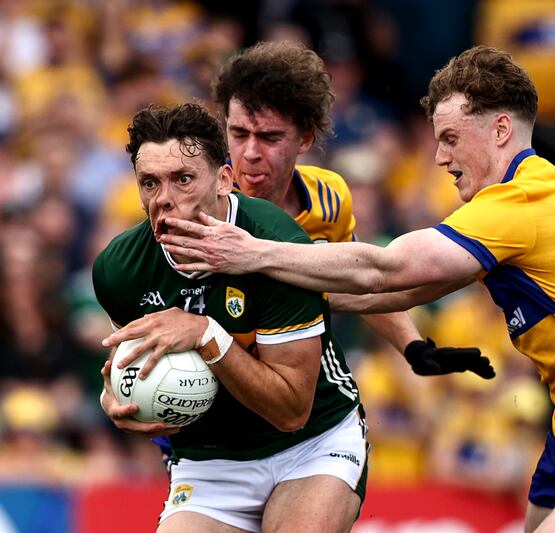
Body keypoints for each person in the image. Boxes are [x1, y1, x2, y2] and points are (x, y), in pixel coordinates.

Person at [160, 45, 555, 532]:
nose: (440, 158)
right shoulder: (535, 193)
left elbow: (386, 271)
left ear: (498, 131)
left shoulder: (516, 206)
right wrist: (404, 342)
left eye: (449, 139)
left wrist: (253, 255)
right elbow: (397, 293)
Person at [95, 103, 369, 533]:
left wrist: (206, 333)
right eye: (149, 183)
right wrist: (115, 397)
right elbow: (125, 367)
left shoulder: (275, 243)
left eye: (182, 179)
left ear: (224, 180)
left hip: (311, 442)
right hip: (209, 461)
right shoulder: (119, 268)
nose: (163, 198)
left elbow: (291, 410)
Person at [210, 40, 493, 379]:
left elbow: (356, 282)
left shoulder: (330, 197)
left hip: (303, 386)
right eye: (239, 134)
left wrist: (413, 346)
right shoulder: (206, 208)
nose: (250, 152)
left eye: (269, 137)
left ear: (304, 139)